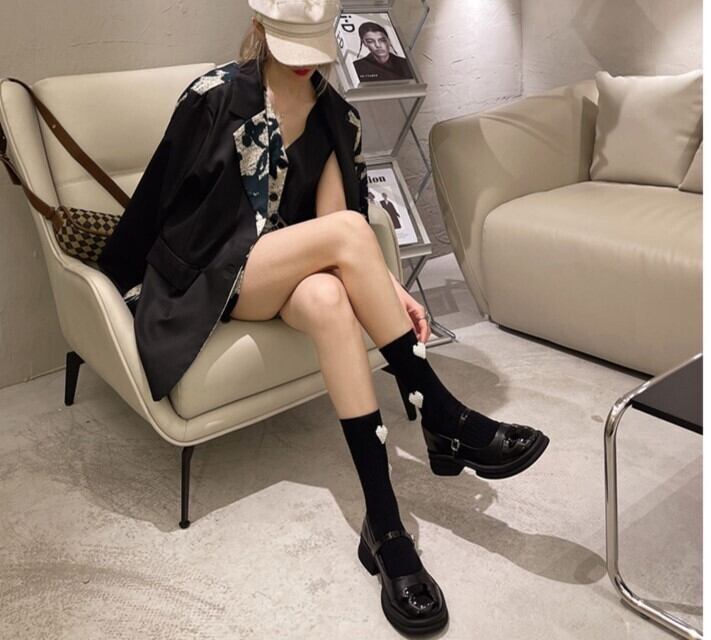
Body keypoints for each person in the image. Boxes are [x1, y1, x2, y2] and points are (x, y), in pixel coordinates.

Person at [98, 0, 550, 635]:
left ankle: (384, 527)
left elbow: (341, 229)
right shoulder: (214, 98)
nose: (305, 64)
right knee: (343, 242)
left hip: (285, 272)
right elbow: (159, 203)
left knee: (332, 299)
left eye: (315, 47)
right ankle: (442, 415)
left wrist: (389, 288)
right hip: (211, 272)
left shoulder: (337, 114)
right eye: (293, 46)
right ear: (261, 30)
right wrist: (117, 282)